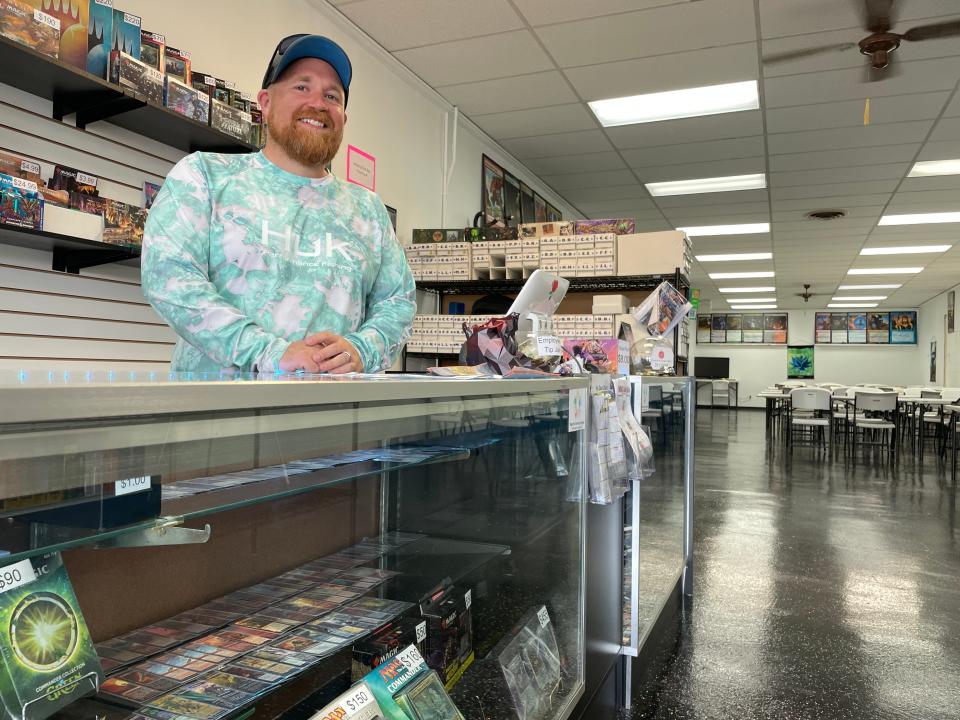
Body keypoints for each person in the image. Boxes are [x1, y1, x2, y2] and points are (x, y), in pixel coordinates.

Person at [142, 34, 415, 374]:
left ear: (344, 118)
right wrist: (271, 353)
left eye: (332, 95)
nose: (318, 103)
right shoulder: (204, 177)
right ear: (266, 102)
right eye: (302, 87)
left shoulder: (368, 210)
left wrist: (361, 350)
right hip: (215, 421)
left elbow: (397, 302)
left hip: (336, 419)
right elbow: (169, 279)